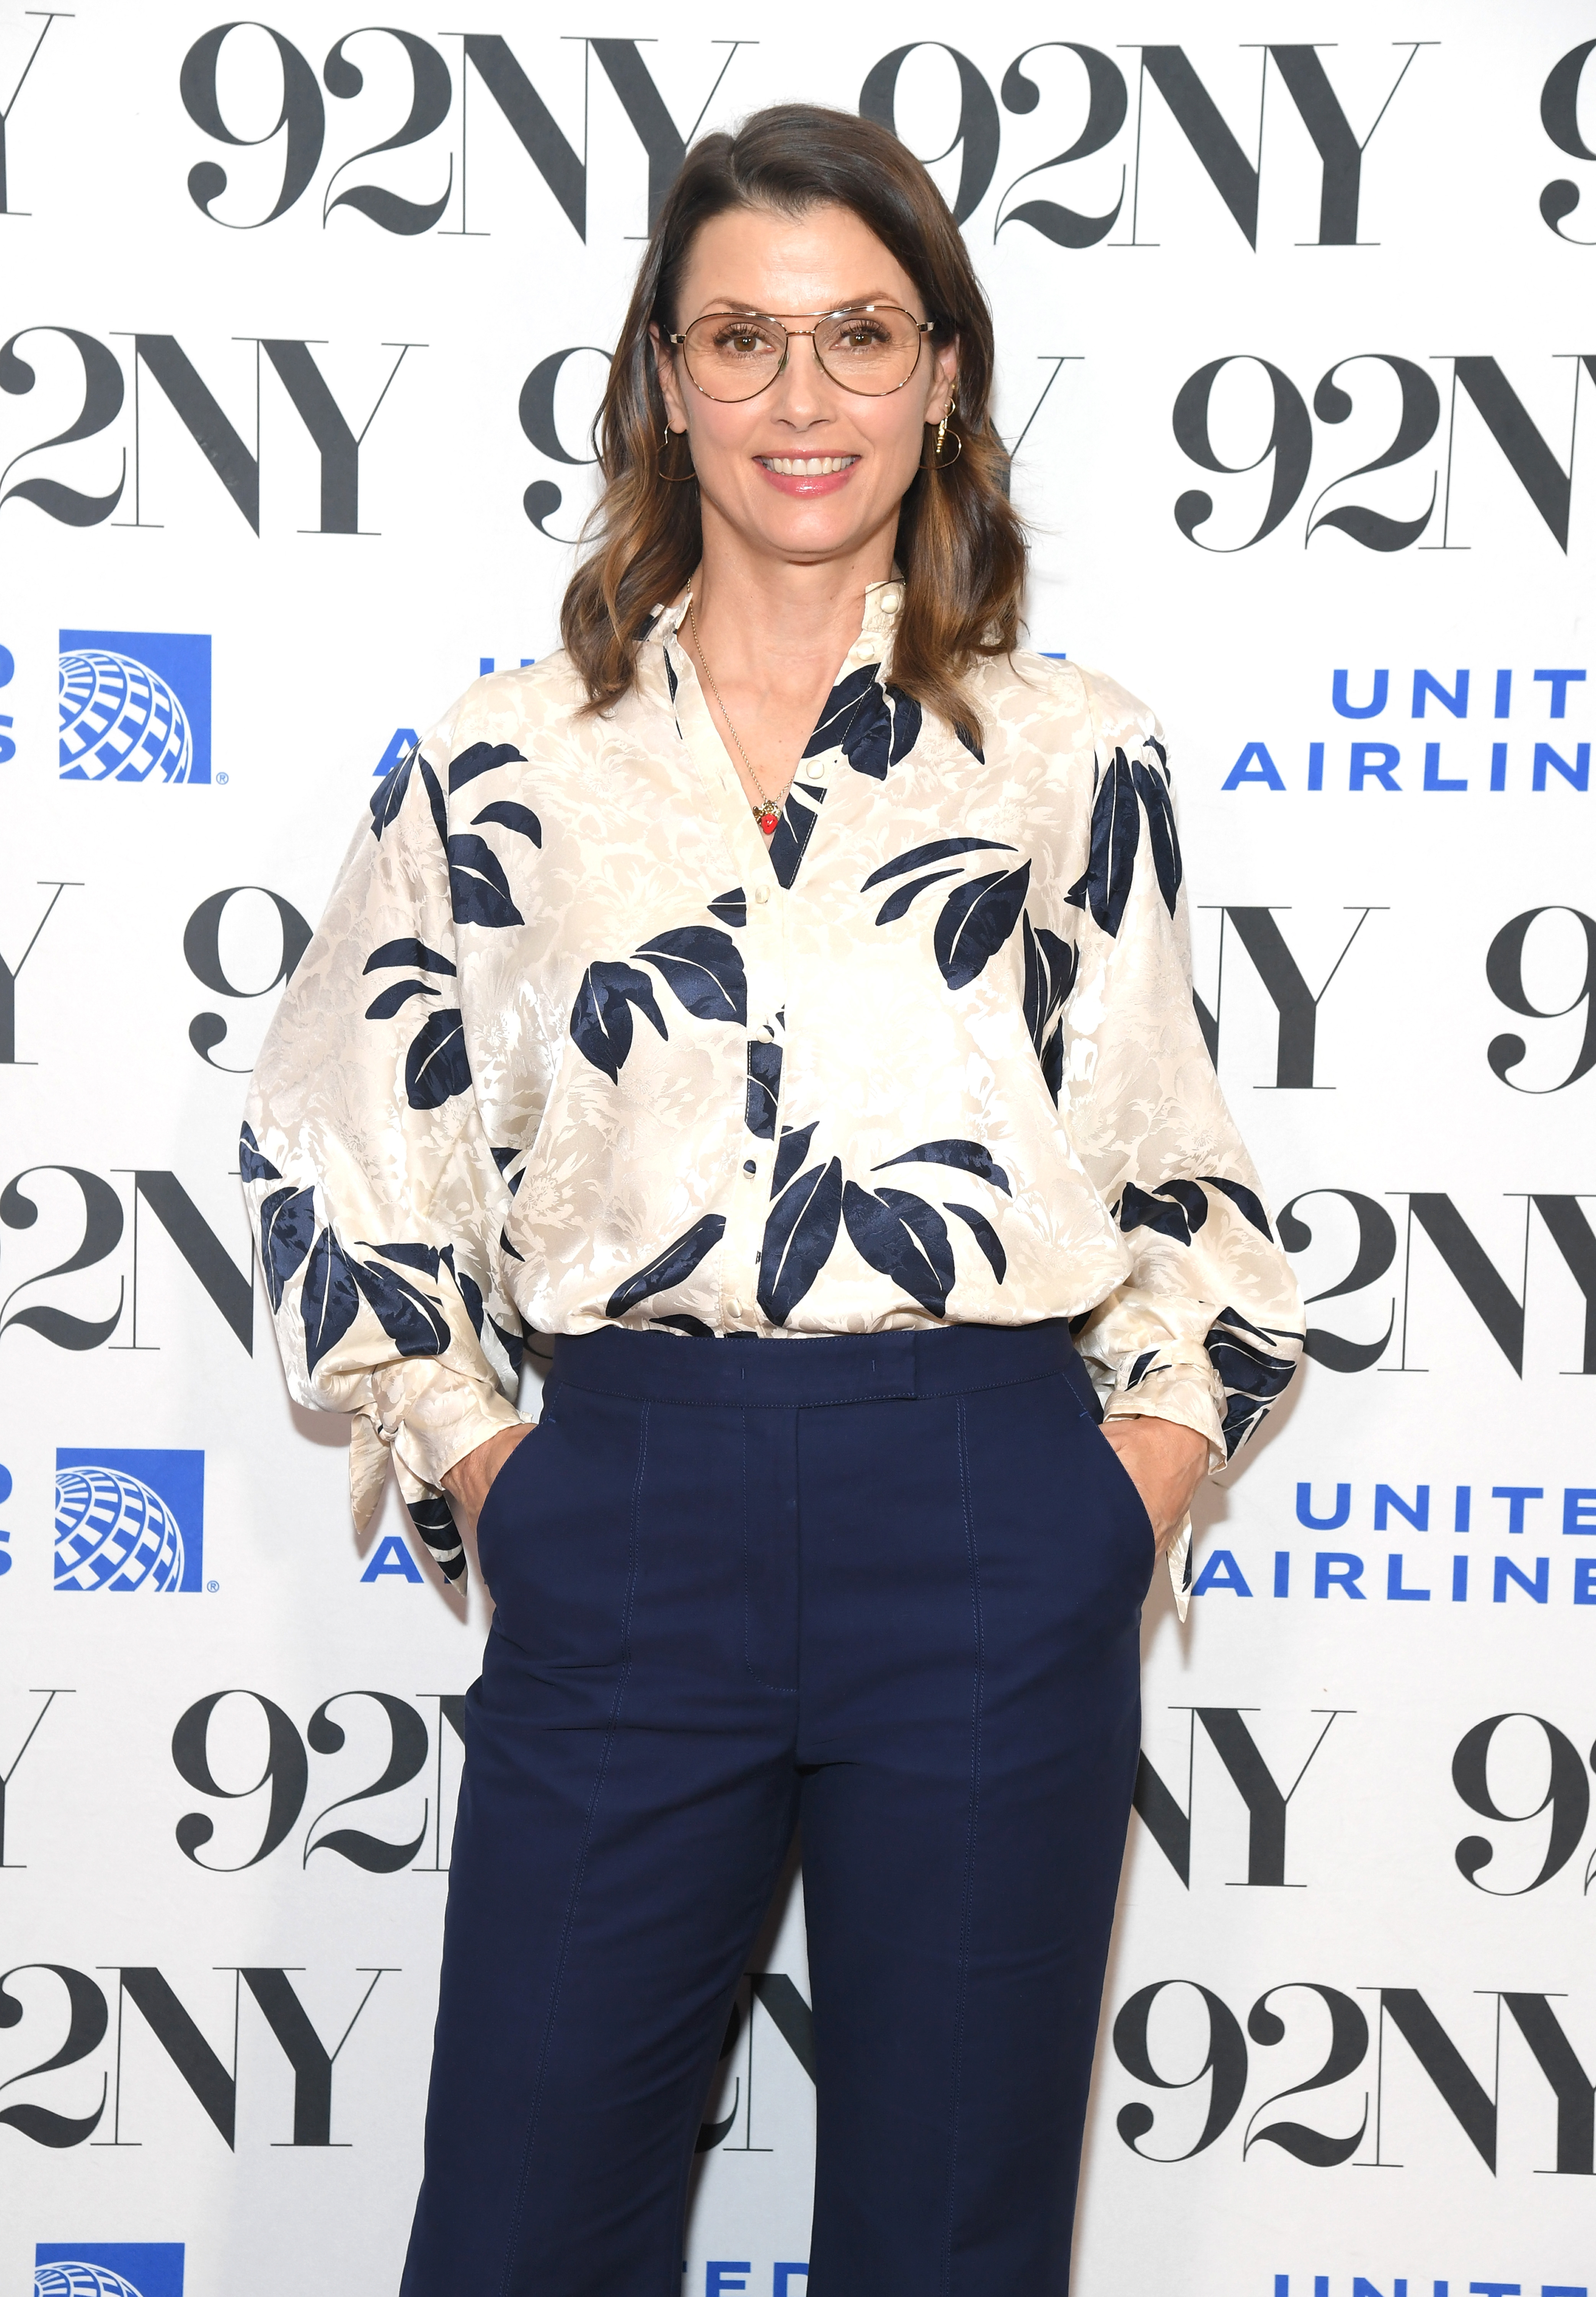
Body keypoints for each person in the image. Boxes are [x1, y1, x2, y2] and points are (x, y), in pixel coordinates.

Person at [243, 101, 1304, 2297]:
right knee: (524, 2233)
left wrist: (1124, 1489)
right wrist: (487, 1467)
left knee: (948, 2244)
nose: (800, 397)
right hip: (627, 1513)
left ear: (943, 381)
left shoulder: (1068, 754)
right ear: (661, 376)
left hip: (994, 1516)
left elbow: (1181, 1167)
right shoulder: (502, 760)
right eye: (742, 338)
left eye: (859, 336)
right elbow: (348, 1144)